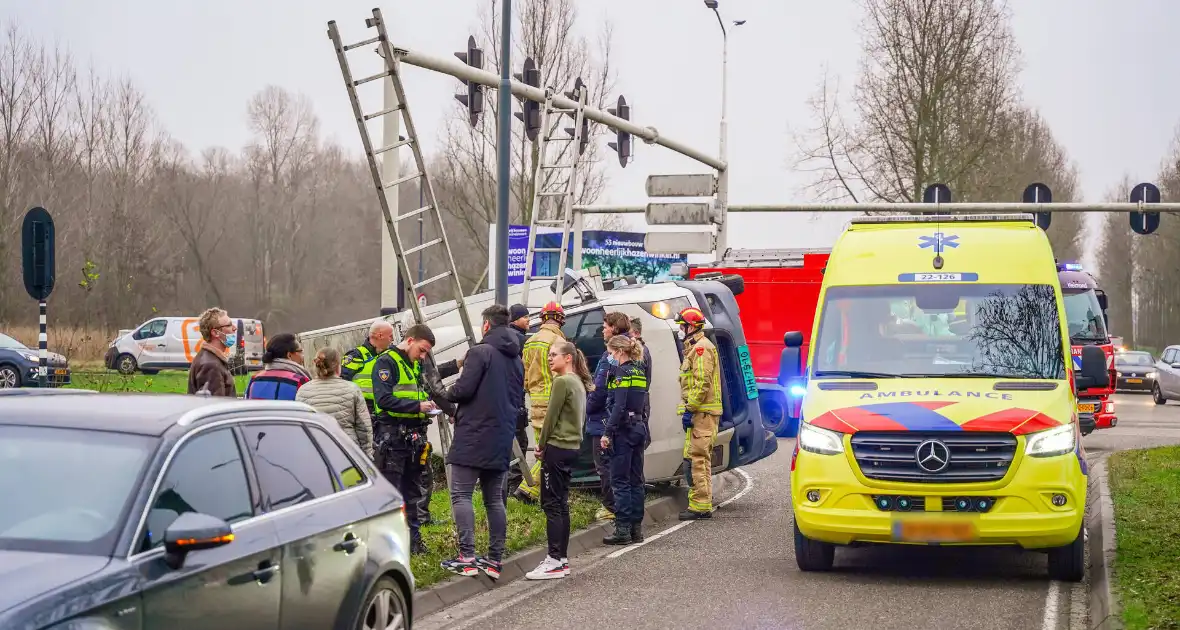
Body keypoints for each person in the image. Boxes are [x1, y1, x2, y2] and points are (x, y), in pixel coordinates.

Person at [437, 305, 524, 580]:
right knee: (494, 500)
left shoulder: (479, 352)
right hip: (501, 436)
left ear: (486, 325)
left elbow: (463, 390)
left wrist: (448, 393)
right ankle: (495, 560)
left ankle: (467, 557)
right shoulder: (516, 358)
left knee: (461, 494)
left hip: (473, 434)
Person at [525, 340, 593, 580]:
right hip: (572, 447)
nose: (550, 358)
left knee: (551, 504)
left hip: (556, 447)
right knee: (561, 503)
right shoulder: (579, 382)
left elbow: (550, 417)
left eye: (554, 354)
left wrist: (541, 446)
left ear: (568, 358)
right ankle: (561, 558)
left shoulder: (562, 382)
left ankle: (554, 559)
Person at [371, 324, 439, 555]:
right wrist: (416, 406)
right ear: (410, 341)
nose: (422, 356)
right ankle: (388, 547)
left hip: (414, 437)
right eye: (422, 350)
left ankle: (414, 543)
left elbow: (418, 392)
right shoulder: (386, 362)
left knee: (412, 492)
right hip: (393, 438)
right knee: (392, 494)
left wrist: (428, 406)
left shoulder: (414, 364)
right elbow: (383, 400)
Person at [600, 335, 650, 545]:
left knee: (620, 482)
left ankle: (622, 530)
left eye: (611, 353)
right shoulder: (639, 370)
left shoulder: (621, 372)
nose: (610, 357)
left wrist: (607, 433)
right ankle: (636, 530)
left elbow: (617, 405)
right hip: (639, 427)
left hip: (623, 430)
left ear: (620, 352)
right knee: (636, 480)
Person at [516, 301, 567, 502]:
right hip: (553, 401)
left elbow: (525, 375)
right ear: (561, 319)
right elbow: (561, 373)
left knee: (541, 447)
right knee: (552, 449)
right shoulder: (558, 342)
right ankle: (528, 489)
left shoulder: (530, 341)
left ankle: (538, 492)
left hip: (535, 401)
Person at [676, 307, 723, 520]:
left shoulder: (702, 349)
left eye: (682, 326)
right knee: (693, 458)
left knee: (698, 459)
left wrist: (690, 408)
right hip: (698, 414)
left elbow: (702, 382)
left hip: (702, 413)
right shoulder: (694, 348)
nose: (680, 330)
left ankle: (701, 506)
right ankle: (699, 503)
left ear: (692, 327)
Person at [585, 311, 631, 521]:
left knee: (604, 466)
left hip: (603, 419)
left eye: (605, 326)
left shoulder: (610, 356)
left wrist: (587, 406)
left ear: (613, 328)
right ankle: (623, 510)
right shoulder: (635, 350)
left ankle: (611, 508)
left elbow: (601, 388)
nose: (602, 330)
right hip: (620, 418)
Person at [296, 347, 374, 459]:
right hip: (347, 451)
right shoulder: (352, 388)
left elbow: (301, 426)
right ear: (338, 366)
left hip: (316, 452)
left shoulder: (303, 390)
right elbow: (364, 426)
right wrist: (367, 454)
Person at [504, 303, 531, 506]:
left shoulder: (507, 336)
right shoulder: (521, 340)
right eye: (525, 317)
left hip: (507, 400)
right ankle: (514, 485)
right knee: (519, 444)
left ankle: (509, 484)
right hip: (514, 400)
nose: (528, 320)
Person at [341, 319, 396, 415]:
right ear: (380, 336)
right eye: (390, 336)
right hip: (363, 411)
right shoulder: (356, 355)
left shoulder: (390, 356)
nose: (393, 340)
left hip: (384, 411)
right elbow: (342, 384)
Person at [188, 307, 237, 397]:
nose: (235, 328)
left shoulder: (211, 359)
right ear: (215, 333)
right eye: (229, 325)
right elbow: (216, 406)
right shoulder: (211, 366)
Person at [245, 333, 311, 400]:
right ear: (289, 355)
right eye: (301, 351)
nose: (303, 356)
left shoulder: (254, 379)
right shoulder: (300, 381)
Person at [629, 317, 653, 425]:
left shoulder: (639, 354)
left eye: (627, 333)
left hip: (638, 404)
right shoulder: (640, 351)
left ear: (636, 334)